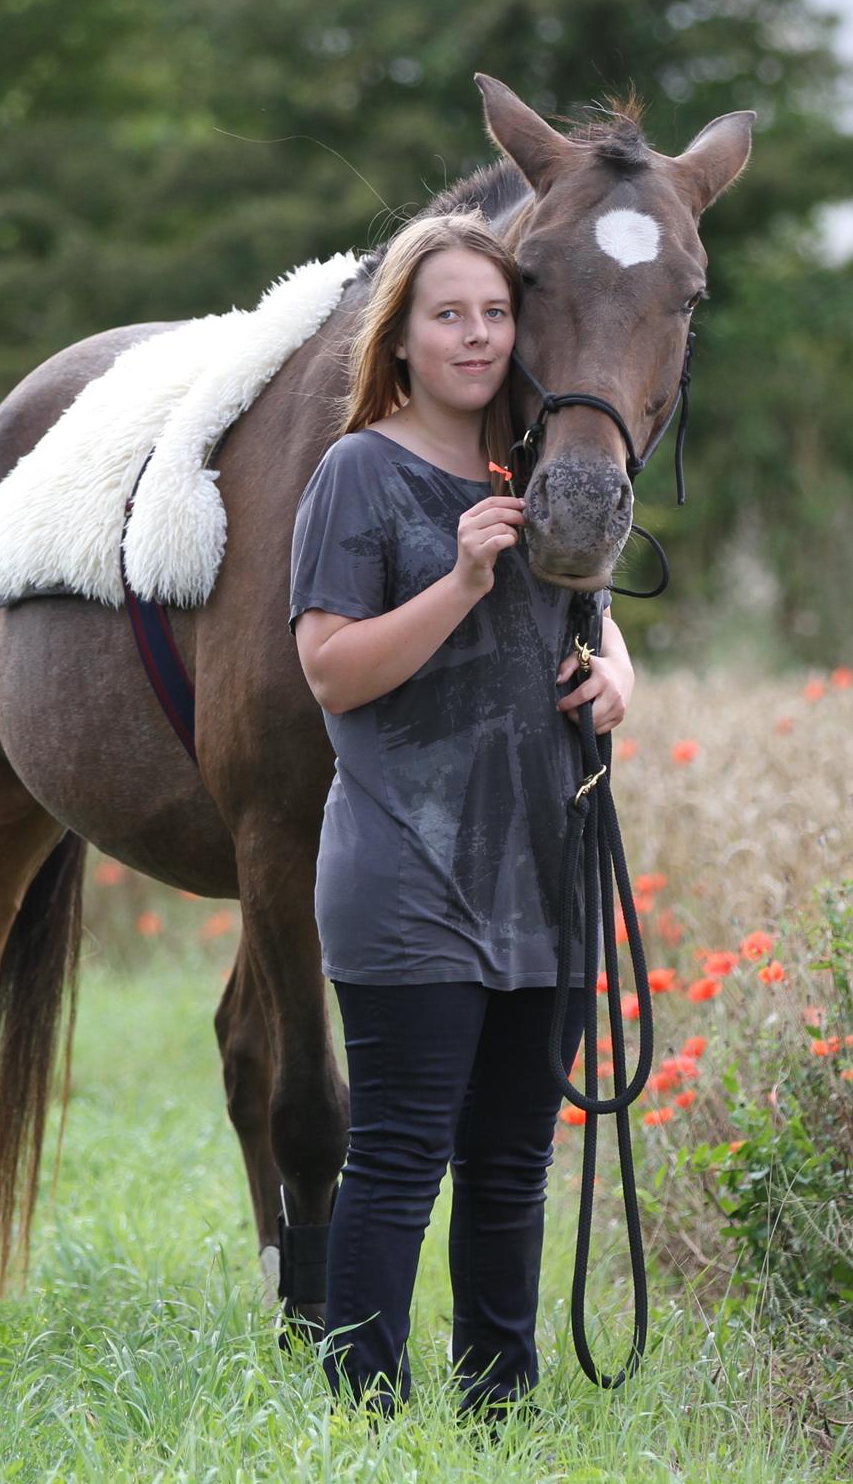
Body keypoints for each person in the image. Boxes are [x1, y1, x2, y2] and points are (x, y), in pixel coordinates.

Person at [287, 210, 635, 1422]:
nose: (478, 335)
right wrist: (461, 579)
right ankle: (364, 1420)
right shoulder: (359, 473)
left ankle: (499, 1418)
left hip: (544, 873)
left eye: (496, 313)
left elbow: (598, 613)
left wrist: (623, 677)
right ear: (404, 334)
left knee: (511, 1170)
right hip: (406, 874)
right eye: (450, 314)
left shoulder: (535, 466)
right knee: (395, 1163)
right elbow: (332, 670)